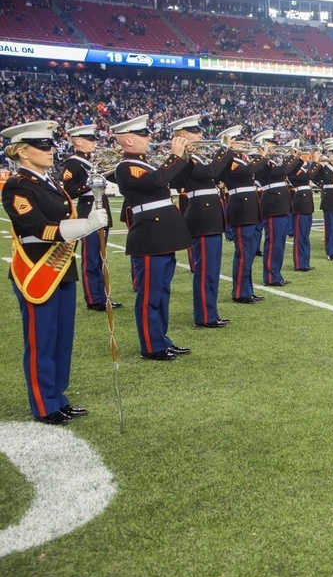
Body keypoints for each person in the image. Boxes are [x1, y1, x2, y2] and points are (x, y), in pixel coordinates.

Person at [2, 121, 108, 424]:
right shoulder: (17, 185)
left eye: (51, 145)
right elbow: (37, 227)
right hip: (38, 270)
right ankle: (43, 404)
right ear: (22, 151)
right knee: (42, 340)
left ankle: (58, 396)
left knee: (62, 338)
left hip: (62, 270)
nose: (51, 150)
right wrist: (86, 225)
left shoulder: (49, 183)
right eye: (43, 146)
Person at [112, 114, 192, 361]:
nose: (149, 138)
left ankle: (161, 339)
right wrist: (174, 156)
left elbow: (172, 179)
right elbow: (157, 181)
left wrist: (183, 157)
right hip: (149, 235)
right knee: (150, 294)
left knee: (162, 292)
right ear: (127, 140)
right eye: (143, 134)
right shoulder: (126, 166)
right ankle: (150, 346)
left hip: (162, 234)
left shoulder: (145, 163)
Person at [170, 115, 234, 329]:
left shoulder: (195, 157)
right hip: (202, 219)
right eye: (195, 132)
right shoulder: (185, 160)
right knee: (205, 270)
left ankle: (210, 312)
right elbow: (211, 172)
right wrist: (226, 149)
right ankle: (205, 315)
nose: (200, 135)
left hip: (210, 217)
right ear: (182, 135)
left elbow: (215, 174)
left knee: (213, 270)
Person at [60, 124, 122, 311]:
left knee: (101, 258)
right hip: (88, 211)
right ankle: (94, 299)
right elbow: (69, 191)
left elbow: (115, 179)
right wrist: (92, 180)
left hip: (102, 209)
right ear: (78, 141)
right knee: (91, 258)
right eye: (89, 139)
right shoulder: (73, 163)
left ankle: (104, 297)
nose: (93, 142)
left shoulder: (92, 161)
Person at [221, 129, 271, 304]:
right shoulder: (229, 161)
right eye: (238, 141)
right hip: (241, 210)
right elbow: (248, 171)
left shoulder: (239, 160)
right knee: (243, 254)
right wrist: (263, 156)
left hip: (249, 209)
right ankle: (239, 292)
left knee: (248, 254)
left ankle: (247, 290)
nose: (243, 143)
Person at [258, 140, 303, 286]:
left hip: (280, 205)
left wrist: (297, 158)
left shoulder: (269, 162)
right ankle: (271, 277)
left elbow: (289, 171)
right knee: (273, 244)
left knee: (280, 244)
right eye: (269, 144)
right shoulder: (260, 162)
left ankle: (276, 274)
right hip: (273, 205)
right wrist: (291, 157)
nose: (273, 147)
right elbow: (282, 171)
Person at [287, 144, 321, 270]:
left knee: (305, 236)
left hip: (306, 203)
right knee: (300, 236)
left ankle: (305, 262)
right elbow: (309, 176)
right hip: (300, 203)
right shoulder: (292, 172)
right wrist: (315, 161)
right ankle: (299, 263)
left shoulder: (299, 169)